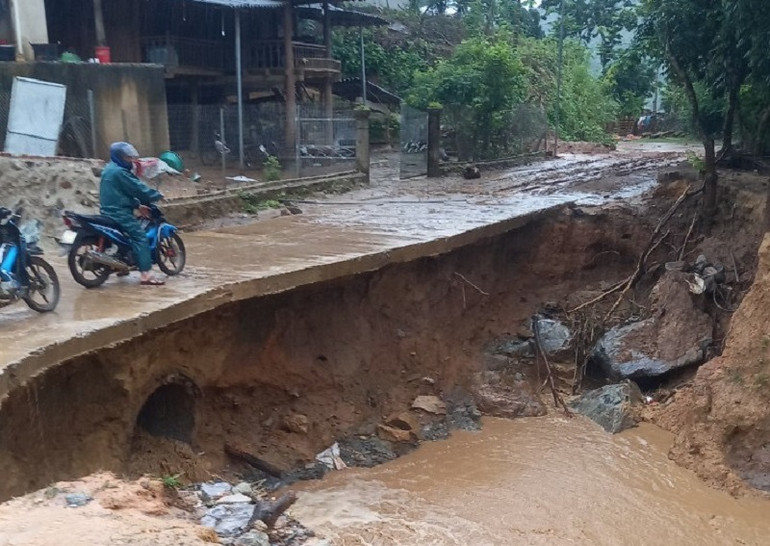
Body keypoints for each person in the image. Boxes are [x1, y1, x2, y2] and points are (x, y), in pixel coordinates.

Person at [100, 142, 165, 286]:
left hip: (107, 210)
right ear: (119, 157)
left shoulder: (109, 169)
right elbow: (138, 188)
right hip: (119, 213)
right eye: (127, 158)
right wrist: (156, 195)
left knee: (124, 238)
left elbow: (120, 193)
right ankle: (146, 275)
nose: (130, 160)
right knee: (140, 237)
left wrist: (137, 205)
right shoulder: (120, 172)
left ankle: (121, 266)